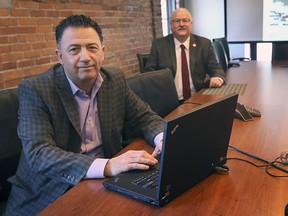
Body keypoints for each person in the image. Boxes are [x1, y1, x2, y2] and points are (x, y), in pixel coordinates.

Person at [4, 15, 164, 215]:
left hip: (104, 183)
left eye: (92, 47)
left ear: (103, 52)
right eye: (74, 50)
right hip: (50, 189)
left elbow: (144, 116)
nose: (85, 57)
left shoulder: (114, 79)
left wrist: (162, 139)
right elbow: (39, 154)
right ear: (60, 56)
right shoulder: (36, 89)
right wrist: (108, 166)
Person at [144, 8, 226, 102]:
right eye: (177, 21)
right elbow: (148, 74)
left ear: (191, 24)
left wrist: (217, 78)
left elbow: (216, 68)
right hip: (168, 101)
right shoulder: (159, 45)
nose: (181, 24)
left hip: (197, 97)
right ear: (171, 25)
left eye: (185, 20)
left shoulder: (204, 44)